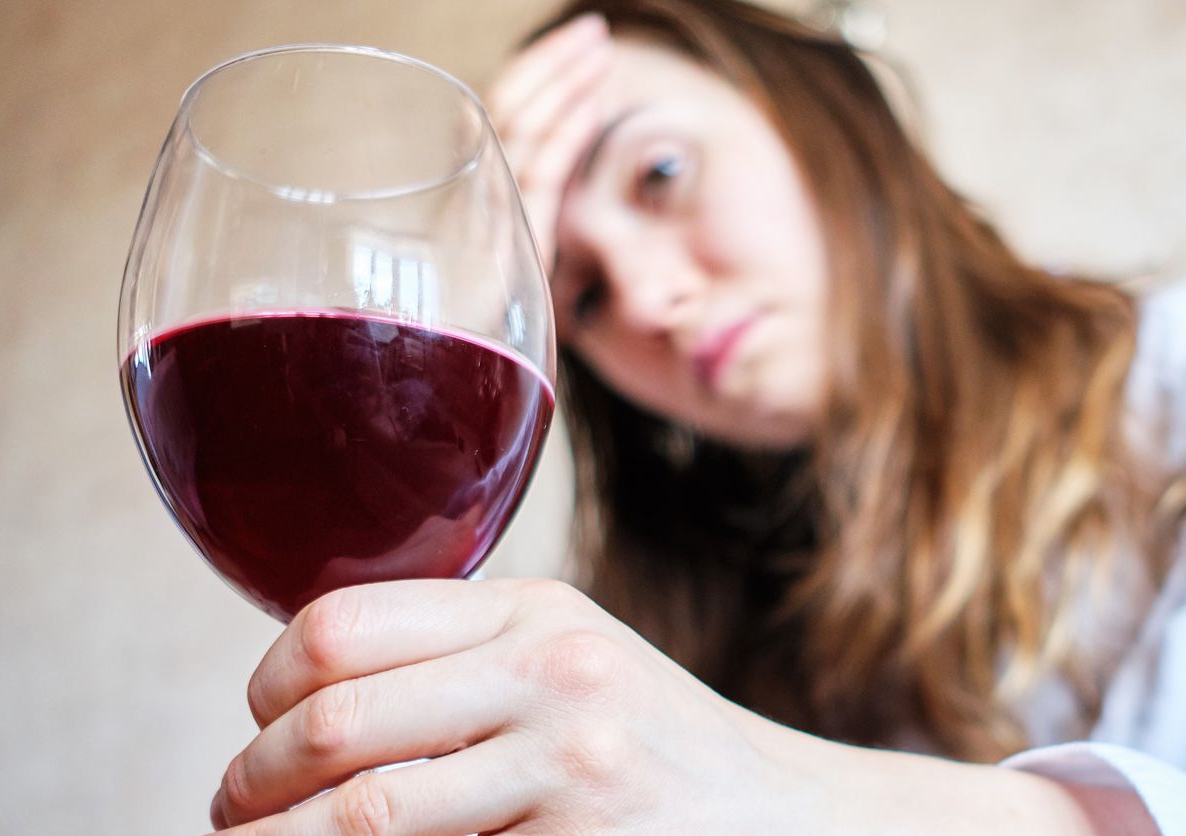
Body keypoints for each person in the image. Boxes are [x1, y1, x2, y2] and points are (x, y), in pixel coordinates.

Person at [206, 0, 1186, 832]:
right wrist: (455, 332)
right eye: (579, 294)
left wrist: (761, 785)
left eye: (660, 174)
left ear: (820, 113)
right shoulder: (693, 633)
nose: (644, 297)